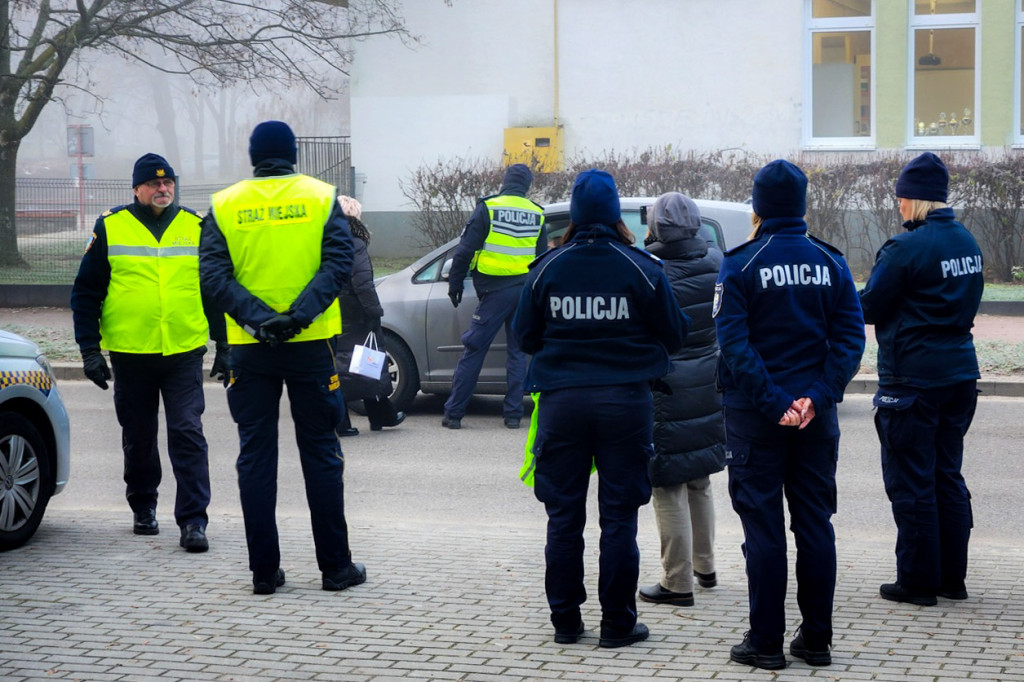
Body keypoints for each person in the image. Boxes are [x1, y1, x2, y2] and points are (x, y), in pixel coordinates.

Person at [512, 169, 688, 649]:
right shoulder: (640, 267)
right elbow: (675, 333)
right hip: (625, 403)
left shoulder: (548, 267)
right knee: (619, 519)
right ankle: (617, 624)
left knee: (563, 518)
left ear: (574, 215)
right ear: (617, 216)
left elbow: (523, 336)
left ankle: (566, 622)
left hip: (562, 403)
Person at [198, 120, 366, 595]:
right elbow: (338, 264)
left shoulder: (225, 204)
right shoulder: (319, 196)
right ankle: (335, 568)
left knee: (256, 457)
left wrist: (258, 321)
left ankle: (264, 573)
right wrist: (296, 319)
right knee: (322, 454)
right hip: (310, 347)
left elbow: (213, 276)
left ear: (253, 155)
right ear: (293, 154)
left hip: (251, 350)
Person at [714, 160, 865, 670]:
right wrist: (815, 398)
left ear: (758, 206)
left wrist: (776, 403)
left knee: (763, 529)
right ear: (802, 205)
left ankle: (766, 642)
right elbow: (849, 341)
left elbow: (734, 347)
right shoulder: (832, 263)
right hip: (815, 420)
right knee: (815, 525)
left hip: (758, 420)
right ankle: (817, 640)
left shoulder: (741, 264)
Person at [70, 152, 220, 554]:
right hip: (131, 354)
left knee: (188, 433)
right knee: (138, 437)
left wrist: (225, 345)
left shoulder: (196, 226)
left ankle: (193, 521)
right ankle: (143, 505)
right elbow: (86, 293)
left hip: (183, 352)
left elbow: (213, 290)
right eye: (154, 184)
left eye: (168, 182)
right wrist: (89, 350)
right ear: (136, 188)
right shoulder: (111, 227)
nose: (162, 188)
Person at [859, 152, 983, 607]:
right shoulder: (967, 242)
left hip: (912, 379)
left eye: (900, 198)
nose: (898, 206)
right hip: (959, 373)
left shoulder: (905, 248)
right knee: (946, 475)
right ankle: (952, 578)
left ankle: (917, 581)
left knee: (912, 480)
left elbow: (870, 306)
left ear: (914, 200)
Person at [637, 192, 725, 609]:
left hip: (666, 386)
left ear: (656, 227)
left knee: (666, 483)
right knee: (699, 478)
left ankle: (677, 582)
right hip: (707, 381)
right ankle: (705, 567)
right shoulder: (717, 261)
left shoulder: (653, 271)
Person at [442, 163, 548, 430]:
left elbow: (465, 250)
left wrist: (455, 283)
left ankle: (454, 413)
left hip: (494, 292)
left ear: (505, 182)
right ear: (527, 185)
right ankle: (513, 416)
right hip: (524, 292)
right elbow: (541, 260)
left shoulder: (489, 207)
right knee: (516, 354)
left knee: (474, 348)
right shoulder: (537, 213)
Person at [333, 194, 405, 435]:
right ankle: (377, 416)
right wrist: (374, 311)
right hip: (356, 313)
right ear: (355, 216)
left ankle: (375, 416)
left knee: (344, 365)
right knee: (368, 362)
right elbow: (362, 282)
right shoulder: (354, 241)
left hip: (334, 311)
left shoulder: (326, 240)